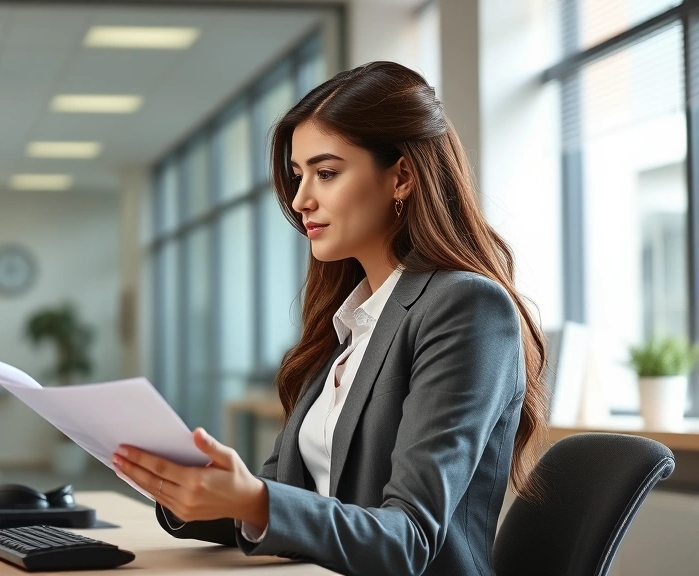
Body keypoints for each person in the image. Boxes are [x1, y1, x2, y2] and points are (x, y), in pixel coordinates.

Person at [111, 61, 547, 575]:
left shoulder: (466, 307)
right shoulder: (353, 323)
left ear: (401, 176)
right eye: (299, 176)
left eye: (327, 173)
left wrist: (255, 500)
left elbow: (408, 539)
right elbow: (297, 502)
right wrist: (187, 488)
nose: (300, 200)